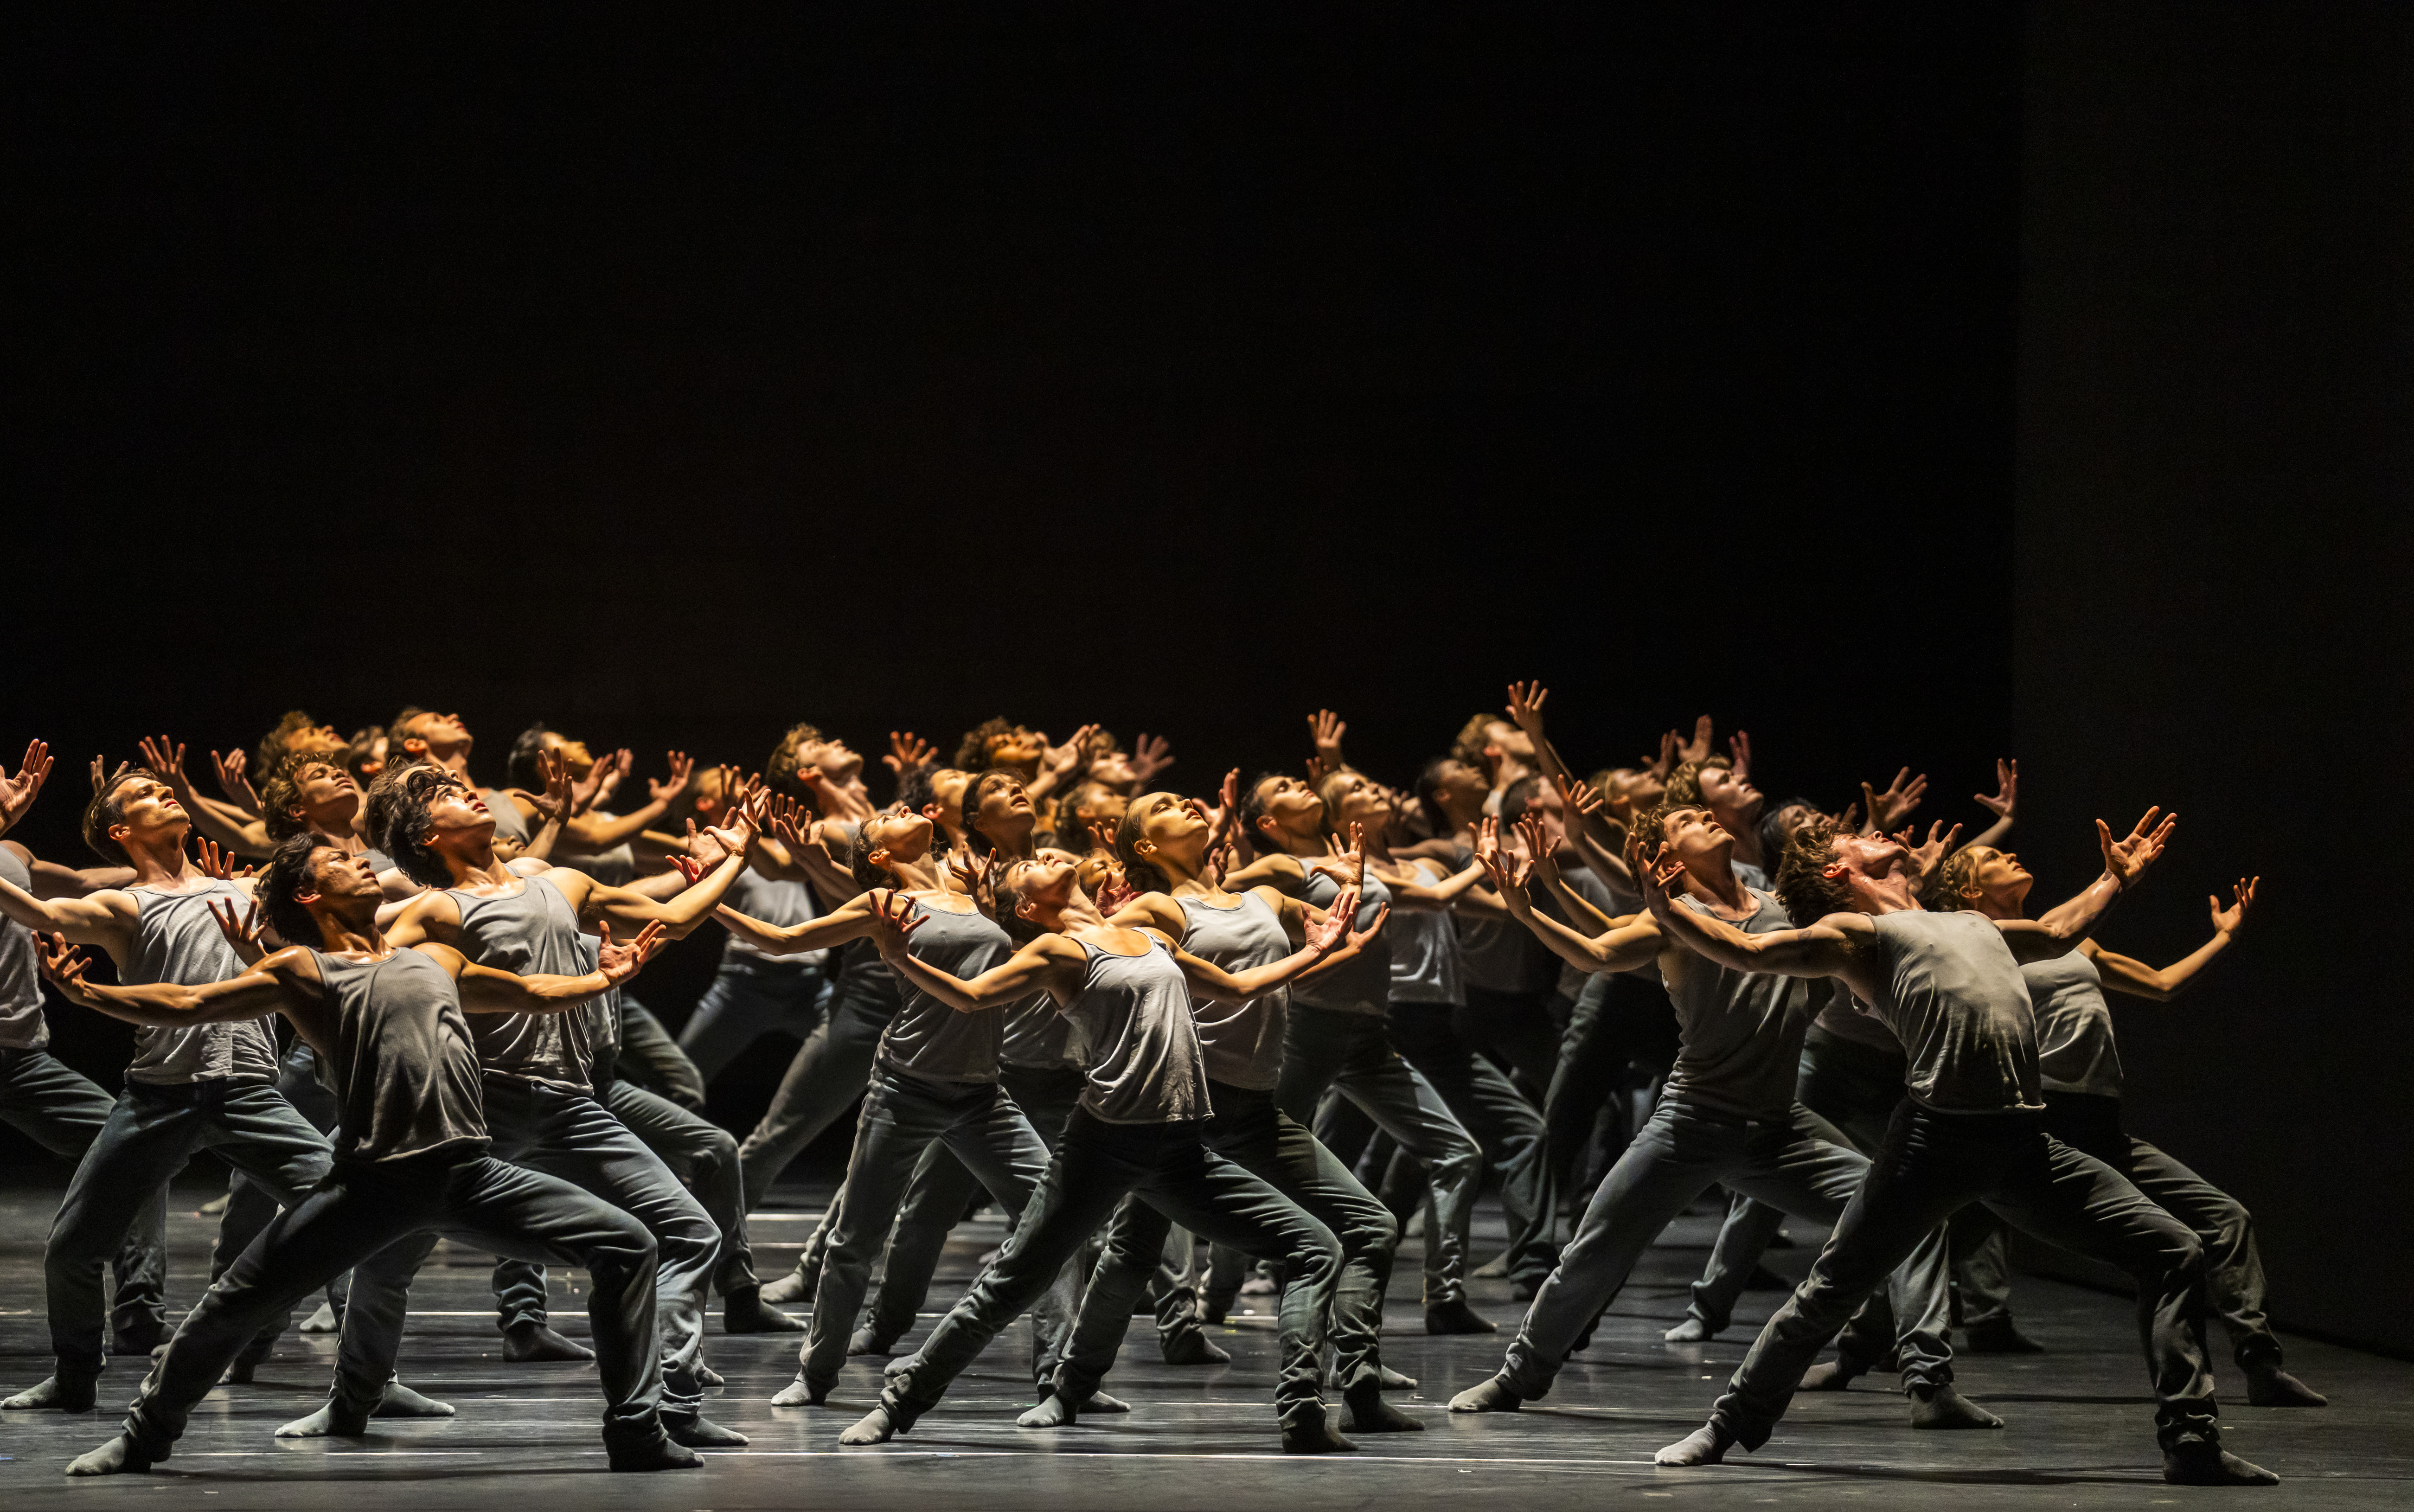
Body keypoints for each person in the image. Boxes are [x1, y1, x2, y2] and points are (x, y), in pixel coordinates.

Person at [1646, 810, 2279, 1487]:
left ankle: (2191, 1444)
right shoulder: (1854, 933)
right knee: (1831, 1288)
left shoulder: (1976, 925)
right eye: (1860, 837)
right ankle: (1727, 1424)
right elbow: (1748, 953)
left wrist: (2112, 879)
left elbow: (2060, 931)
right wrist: (1663, 908)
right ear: (1840, 871)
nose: (1880, 832)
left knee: (2174, 1248)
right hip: (1934, 1141)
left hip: (2023, 1141)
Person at [42, 837, 702, 1476]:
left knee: (628, 1244)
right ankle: (142, 1440)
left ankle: (636, 1433)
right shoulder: (304, 970)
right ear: (309, 893)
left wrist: (604, 980)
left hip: (469, 1173)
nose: (362, 866)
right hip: (371, 1186)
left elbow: (532, 993)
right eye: (341, 863)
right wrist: (89, 996)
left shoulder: (438, 960)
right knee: (230, 1307)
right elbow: (189, 1002)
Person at [1447, 807, 1974, 1429]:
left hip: (1778, 1130)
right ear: (1668, 855)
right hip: (1691, 1123)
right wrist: (1528, 905)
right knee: (1594, 1252)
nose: (1704, 815)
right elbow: (1595, 952)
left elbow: (1867, 901)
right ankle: (1518, 1376)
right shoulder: (1672, 921)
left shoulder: (1786, 908)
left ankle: (1928, 1382)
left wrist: (1908, 872)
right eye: (1687, 819)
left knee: (1911, 1214)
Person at [835, 858, 1379, 1453]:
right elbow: (970, 997)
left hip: (1179, 1146)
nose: (1048, 858)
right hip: (1104, 1144)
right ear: (1025, 906)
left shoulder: (1155, 938)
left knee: (1316, 1245)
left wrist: (1319, 950)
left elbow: (1242, 986)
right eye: (1034, 865)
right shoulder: (1058, 951)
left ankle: (1301, 1412)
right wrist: (898, 957)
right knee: (1010, 1284)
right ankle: (897, 1406)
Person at [363, 763, 758, 1444]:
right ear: (427, 834)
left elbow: (671, 919)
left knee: (691, 1232)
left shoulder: (559, 880)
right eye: (445, 796)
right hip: (485, 1103)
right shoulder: (436, 909)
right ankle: (352, 1400)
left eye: (463, 785)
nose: (468, 790)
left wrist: (736, 862)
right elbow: (357, 965)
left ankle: (676, 1403)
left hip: (572, 1104)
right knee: (388, 1250)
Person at [1019, 790, 1417, 1435]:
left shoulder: (1261, 899)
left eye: (1186, 799)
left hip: (1256, 1107)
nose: (1188, 804)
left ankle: (1361, 1387)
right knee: (1132, 1252)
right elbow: (1130, 970)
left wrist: (1347, 891)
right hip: (1186, 1110)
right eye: (1168, 806)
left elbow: (1331, 928)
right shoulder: (1157, 908)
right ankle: (1068, 1390)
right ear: (1145, 847)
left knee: (1370, 1226)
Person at [0, 768, 356, 1412]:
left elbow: (327, 903)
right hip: (159, 1097)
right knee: (71, 1252)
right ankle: (75, 1375)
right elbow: (42, 910)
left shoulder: (247, 890)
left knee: (350, 1216)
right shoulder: (125, 905)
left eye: (163, 789)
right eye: (143, 795)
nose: (164, 793)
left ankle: (366, 1382)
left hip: (250, 1093)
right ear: (121, 831)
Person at [1934, 848, 2322, 1408]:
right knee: (1928, 1240)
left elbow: (2160, 984)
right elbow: (2039, 939)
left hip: (2100, 1125)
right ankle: (1862, 1348)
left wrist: (2225, 938)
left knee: (2225, 1218)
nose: (2014, 852)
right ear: (1970, 889)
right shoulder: (1980, 941)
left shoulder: (2074, 938)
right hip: (2042, 1126)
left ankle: (2261, 1365)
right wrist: (2114, 877)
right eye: (1995, 855)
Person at [717, 809, 1063, 1407]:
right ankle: (816, 1374)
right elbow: (783, 940)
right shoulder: (882, 899)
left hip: (984, 1091)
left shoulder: (971, 886)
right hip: (907, 1088)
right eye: (891, 816)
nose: (906, 809)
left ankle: (1063, 1376)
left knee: (1056, 1220)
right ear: (877, 853)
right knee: (855, 1240)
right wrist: (711, 897)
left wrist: (991, 894)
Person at [1229, 771, 1493, 1333]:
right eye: (1285, 787)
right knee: (1248, 1155)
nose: (1301, 784)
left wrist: (1483, 863)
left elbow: (1436, 896)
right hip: (1307, 1029)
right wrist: (1224, 833)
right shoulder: (1283, 868)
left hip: (1370, 1034)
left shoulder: (1347, 857)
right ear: (1268, 822)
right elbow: (1218, 890)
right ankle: (1220, 1288)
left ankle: (1444, 1297)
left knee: (1458, 1152)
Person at [0, 742, 167, 1361]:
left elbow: (78, 884)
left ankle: (140, 1317)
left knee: (137, 1154)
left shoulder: (14, 855)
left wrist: (144, 851)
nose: (7, 779)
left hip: (20, 1061)